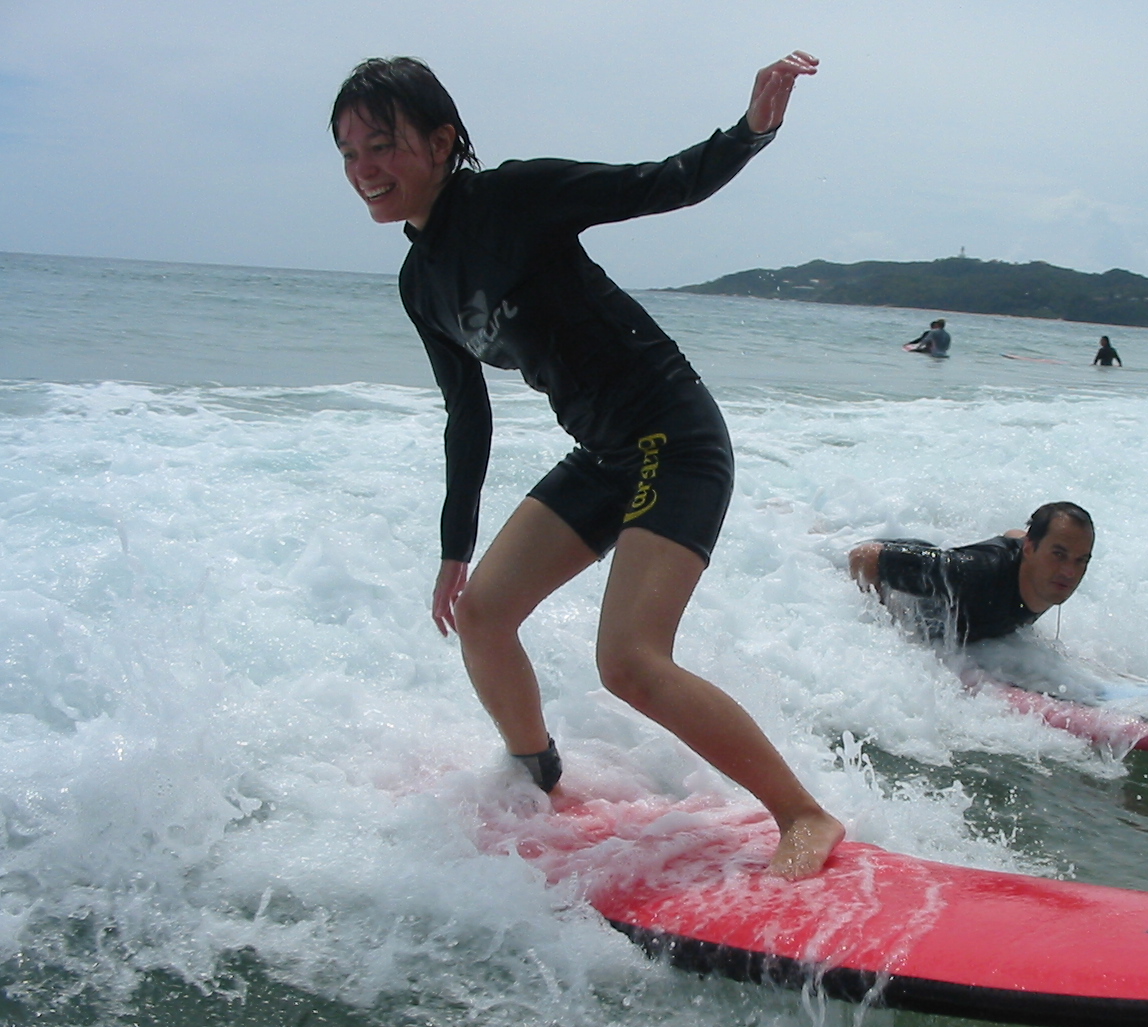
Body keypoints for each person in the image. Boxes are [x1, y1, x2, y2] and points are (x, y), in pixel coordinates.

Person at [331, 52, 844, 879]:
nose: (365, 170)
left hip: (673, 437)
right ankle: (541, 779)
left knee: (630, 663)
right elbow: (467, 410)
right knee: (484, 616)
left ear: (440, 140)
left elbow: (661, 183)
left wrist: (752, 130)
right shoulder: (418, 281)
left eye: (381, 145)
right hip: (607, 453)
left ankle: (805, 816)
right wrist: (452, 547)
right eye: (350, 153)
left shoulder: (513, 196)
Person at [848, 503, 1095, 646]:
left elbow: (1015, 534)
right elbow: (864, 558)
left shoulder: (1047, 573)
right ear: (1031, 548)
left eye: (1081, 560)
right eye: (1059, 554)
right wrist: (890, 619)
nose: (1069, 572)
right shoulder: (971, 574)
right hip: (894, 558)